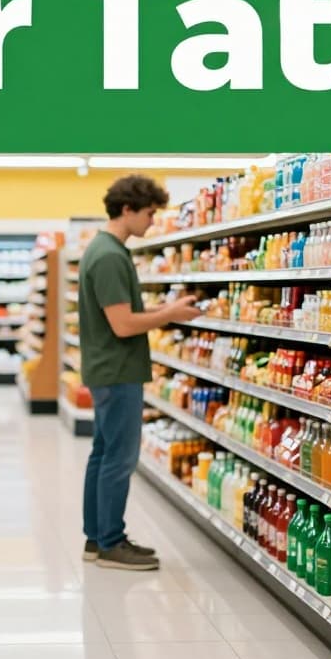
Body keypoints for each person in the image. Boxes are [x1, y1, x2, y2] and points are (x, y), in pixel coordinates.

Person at [79, 175, 201, 570]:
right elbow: (123, 325)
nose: (152, 221)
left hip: (107, 369)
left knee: (103, 455)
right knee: (119, 459)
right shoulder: (110, 256)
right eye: (149, 213)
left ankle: (97, 538)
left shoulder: (104, 249)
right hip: (117, 371)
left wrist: (166, 310)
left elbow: (123, 313)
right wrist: (169, 314)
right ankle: (111, 543)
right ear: (127, 209)